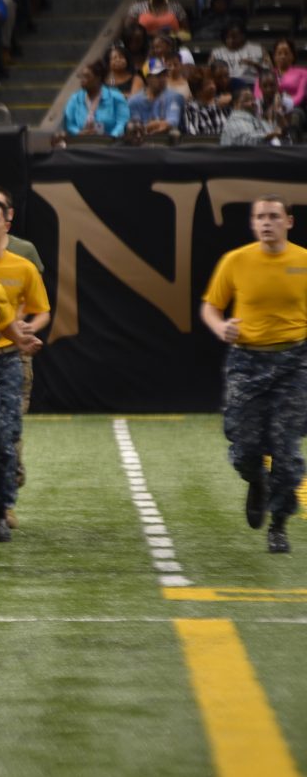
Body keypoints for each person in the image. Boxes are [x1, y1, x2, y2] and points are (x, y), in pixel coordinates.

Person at [201, 195, 307, 554]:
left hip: (295, 363)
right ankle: (256, 480)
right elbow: (211, 307)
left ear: (288, 222)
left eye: (274, 216)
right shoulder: (236, 261)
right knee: (244, 446)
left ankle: (278, 524)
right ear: (252, 223)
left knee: (286, 451)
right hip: (247, 362)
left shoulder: (304, 262)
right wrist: (221, 328)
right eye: (260, 217)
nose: (266, 223)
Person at [0, 198, 48, 541]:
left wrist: (25, 334)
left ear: (7, 223)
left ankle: (1, 509)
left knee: (5, 439)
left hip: (7, 360)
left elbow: (37, 310)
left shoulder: (22, 266)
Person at [63, 60, 129, 139]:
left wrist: (112, 136)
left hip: (111, 145)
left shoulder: (116, 97)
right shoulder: (75, 98)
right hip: (81, 143)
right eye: (81, 76)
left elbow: (122, 122)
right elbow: (69, 123)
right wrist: (78, 133)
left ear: (98, 78)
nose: (82, 80)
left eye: (87, 76)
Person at [127, 58, 183, 135]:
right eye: (158, 75)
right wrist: (157, 124)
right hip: (141, 144)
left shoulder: (175, 96)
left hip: (168, 142)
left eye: (164, 74)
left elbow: (172, 122)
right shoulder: (134, 101)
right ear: (147, 78)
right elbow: (136, 127)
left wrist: (152, 125)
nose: (162, 79)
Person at [210, 22, 268, 94]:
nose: (230, 40)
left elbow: (269, 73)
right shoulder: (216, 53)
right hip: (225, 88)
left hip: (252, 85)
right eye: (227, 37)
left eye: (234, 37)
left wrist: (255, 65)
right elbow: (209, 75)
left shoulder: (259, 49)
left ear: (243, 35)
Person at [182, 65, 227, 137]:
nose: (213, 87)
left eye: (213, 83)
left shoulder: (222, 105)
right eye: (207, 84)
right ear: (198, 91)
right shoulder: (190, 108)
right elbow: (192, 134)